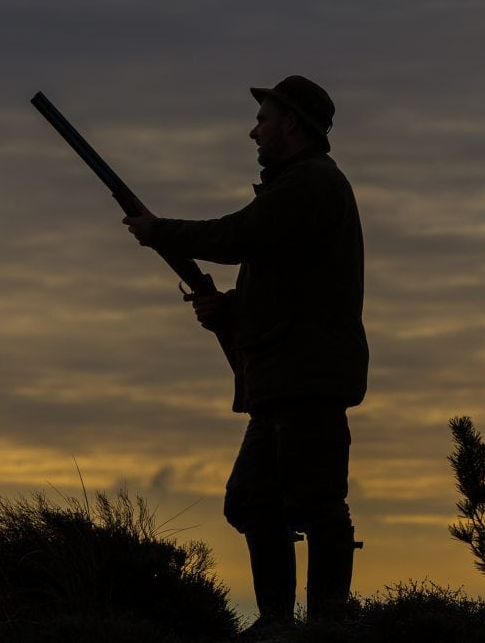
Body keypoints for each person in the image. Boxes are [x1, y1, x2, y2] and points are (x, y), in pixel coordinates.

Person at [123, 75, 368, 636]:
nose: (253, 130)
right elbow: (284, 284)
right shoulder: (299, 188)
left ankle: (328, 624)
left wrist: (161, 231)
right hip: (283, 378)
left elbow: (238, 236)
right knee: (256, 499)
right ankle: (279, 623)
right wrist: (228, 310)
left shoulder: (311, 184)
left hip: (307, 377)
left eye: (264, 118)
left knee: (319, 502)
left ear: (291, 123)